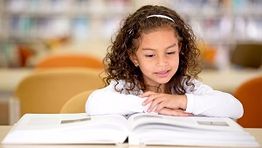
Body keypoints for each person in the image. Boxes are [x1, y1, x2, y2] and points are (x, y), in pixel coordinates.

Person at [85, 5, 243, 119]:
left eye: (170, 52)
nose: (162, 63)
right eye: (150, 55)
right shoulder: (127, 87)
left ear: (179, 49)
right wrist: (157, 107)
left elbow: (235, 108)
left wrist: (181, 101)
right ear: (134, 57)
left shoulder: (186, 86)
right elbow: (94, 103)